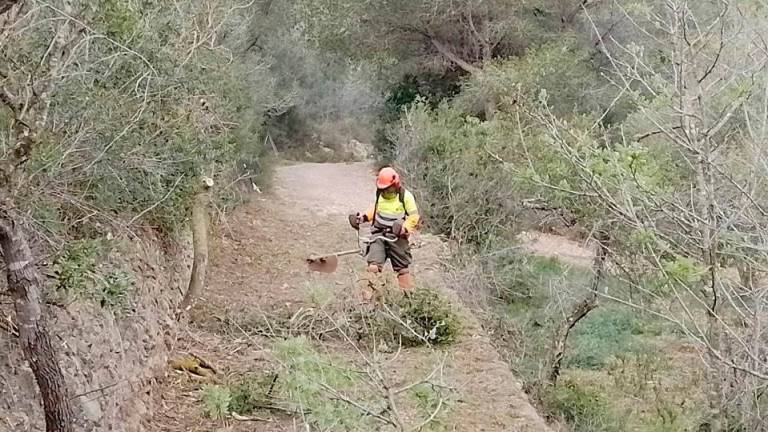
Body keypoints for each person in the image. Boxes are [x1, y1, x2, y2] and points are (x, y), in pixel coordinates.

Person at [349, 166, 420, 292]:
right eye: (382, 189)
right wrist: (363, 218)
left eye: (387, 189)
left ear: (395, 184)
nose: (385, 192)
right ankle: (367, 300)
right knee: (373, 267)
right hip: (379, 234)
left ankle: (408, 299)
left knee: (402, 269)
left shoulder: (406, 197)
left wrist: (404, 229)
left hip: (397, 237)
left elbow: (414, 217)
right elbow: (375, 209)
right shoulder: (380, 195)